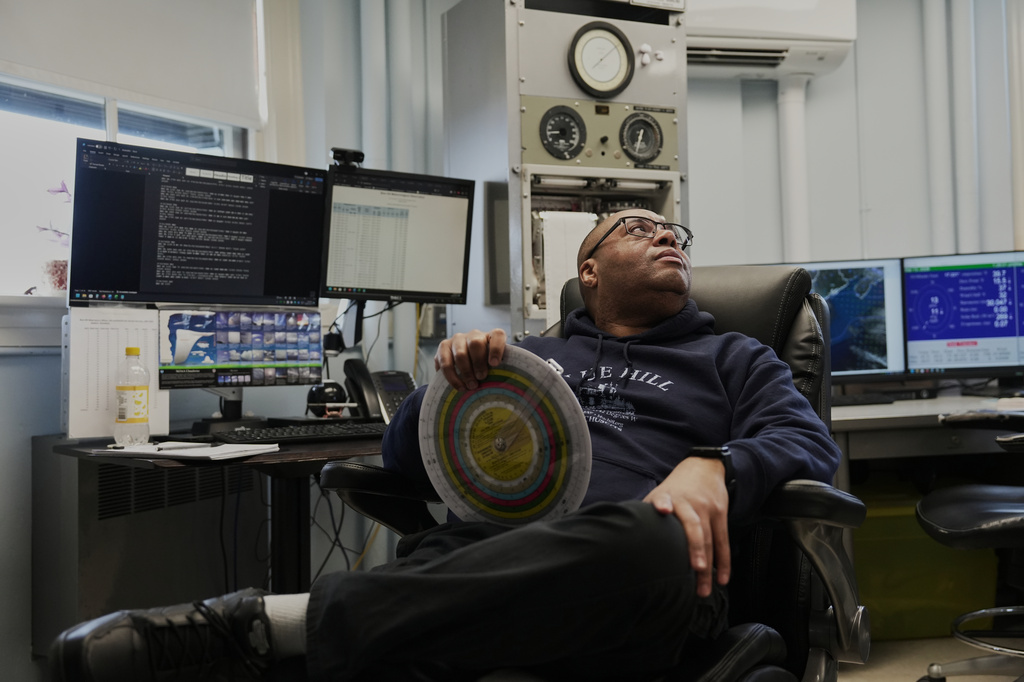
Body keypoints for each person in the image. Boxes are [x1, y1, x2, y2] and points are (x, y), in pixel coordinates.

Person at [49, 209, 841, 682]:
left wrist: (716, 465)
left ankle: (255, 630)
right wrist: (447, 388)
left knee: (646, 538)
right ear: (589, 272)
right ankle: (271, 635)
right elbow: (403, 462)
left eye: (675, 231)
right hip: (494, 555)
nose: (667, 234)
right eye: (638, 228)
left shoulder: (734, 358)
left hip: (648, 582)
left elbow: (806, 442)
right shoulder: (530, 358)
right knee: (438, 553)